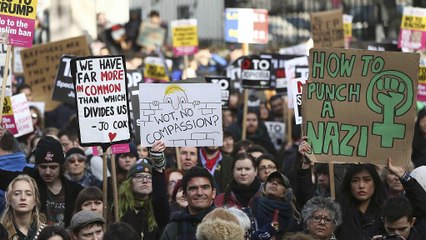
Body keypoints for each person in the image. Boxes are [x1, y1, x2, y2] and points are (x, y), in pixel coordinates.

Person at [0, 136, 84, 227]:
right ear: (36, 166)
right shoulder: (27, 181)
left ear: (61, 166)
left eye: (53, 167)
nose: (47, 172)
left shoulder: (75, 190)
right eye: (43, 167)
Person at [118, 141, 168, 239]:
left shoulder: (157, 208)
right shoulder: (118, 208)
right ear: (129, 182)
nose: (145, 181)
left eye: (149, 177)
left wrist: (158, 163)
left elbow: (160, 198)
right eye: (139, 176)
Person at [160, 166, 216, 240]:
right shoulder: (173, 228)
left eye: (205, 187)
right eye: (193, 188)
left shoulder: (226, 222)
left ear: (213, 193)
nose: (199, 193)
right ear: (184, 195)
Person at [334, 163, 386, 240]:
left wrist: (404, 178)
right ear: (349, 184)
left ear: (375, 183)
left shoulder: (386, 211)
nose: (361, 186)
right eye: (355, 181)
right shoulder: (337, 212)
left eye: (367, 180)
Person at [251, 172, 301, 239]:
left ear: (285, 193)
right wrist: (269, 229)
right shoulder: (253, 206)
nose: (274, 183)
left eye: (280, 183)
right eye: (270, 181)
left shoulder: (291, 216)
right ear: (264, 187)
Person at [0, 175, 46, 239]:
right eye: (17, 193)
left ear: (35, 200)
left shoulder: (46, 232)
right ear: (9, 199)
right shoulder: (1, 231)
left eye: (28, 194)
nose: (23, 198)